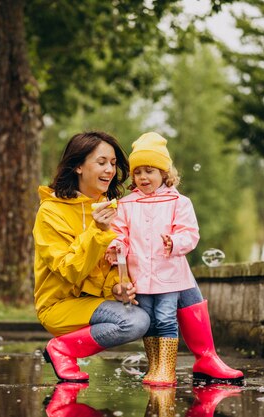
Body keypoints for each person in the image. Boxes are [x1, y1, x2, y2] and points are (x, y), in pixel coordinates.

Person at [110, 132, 244, 386]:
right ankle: (155, 367)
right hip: (140, 277)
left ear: (163, 173)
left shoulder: (178, 202)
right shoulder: (126, 204)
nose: (143, 177)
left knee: (165, 318)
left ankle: (167, 370)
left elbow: (190, 233)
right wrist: (116, 245)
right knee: (148, 321)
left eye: (150, 171)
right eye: (138, 172)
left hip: (169, 276)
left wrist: (175, 243)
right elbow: (120, 233)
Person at [33, 131, 151, 383]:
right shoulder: (50, 212)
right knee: (135, 322)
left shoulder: (111, 208)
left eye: (113, 163)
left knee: (151, 306)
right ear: (77, 166)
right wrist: (97, 231)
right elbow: (69, 270)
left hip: (95, 301)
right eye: (101, 162)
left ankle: (169, 366)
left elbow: (113, 263)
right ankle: (62, 349)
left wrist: (118, 287)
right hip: (60, 306)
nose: (109, 170)